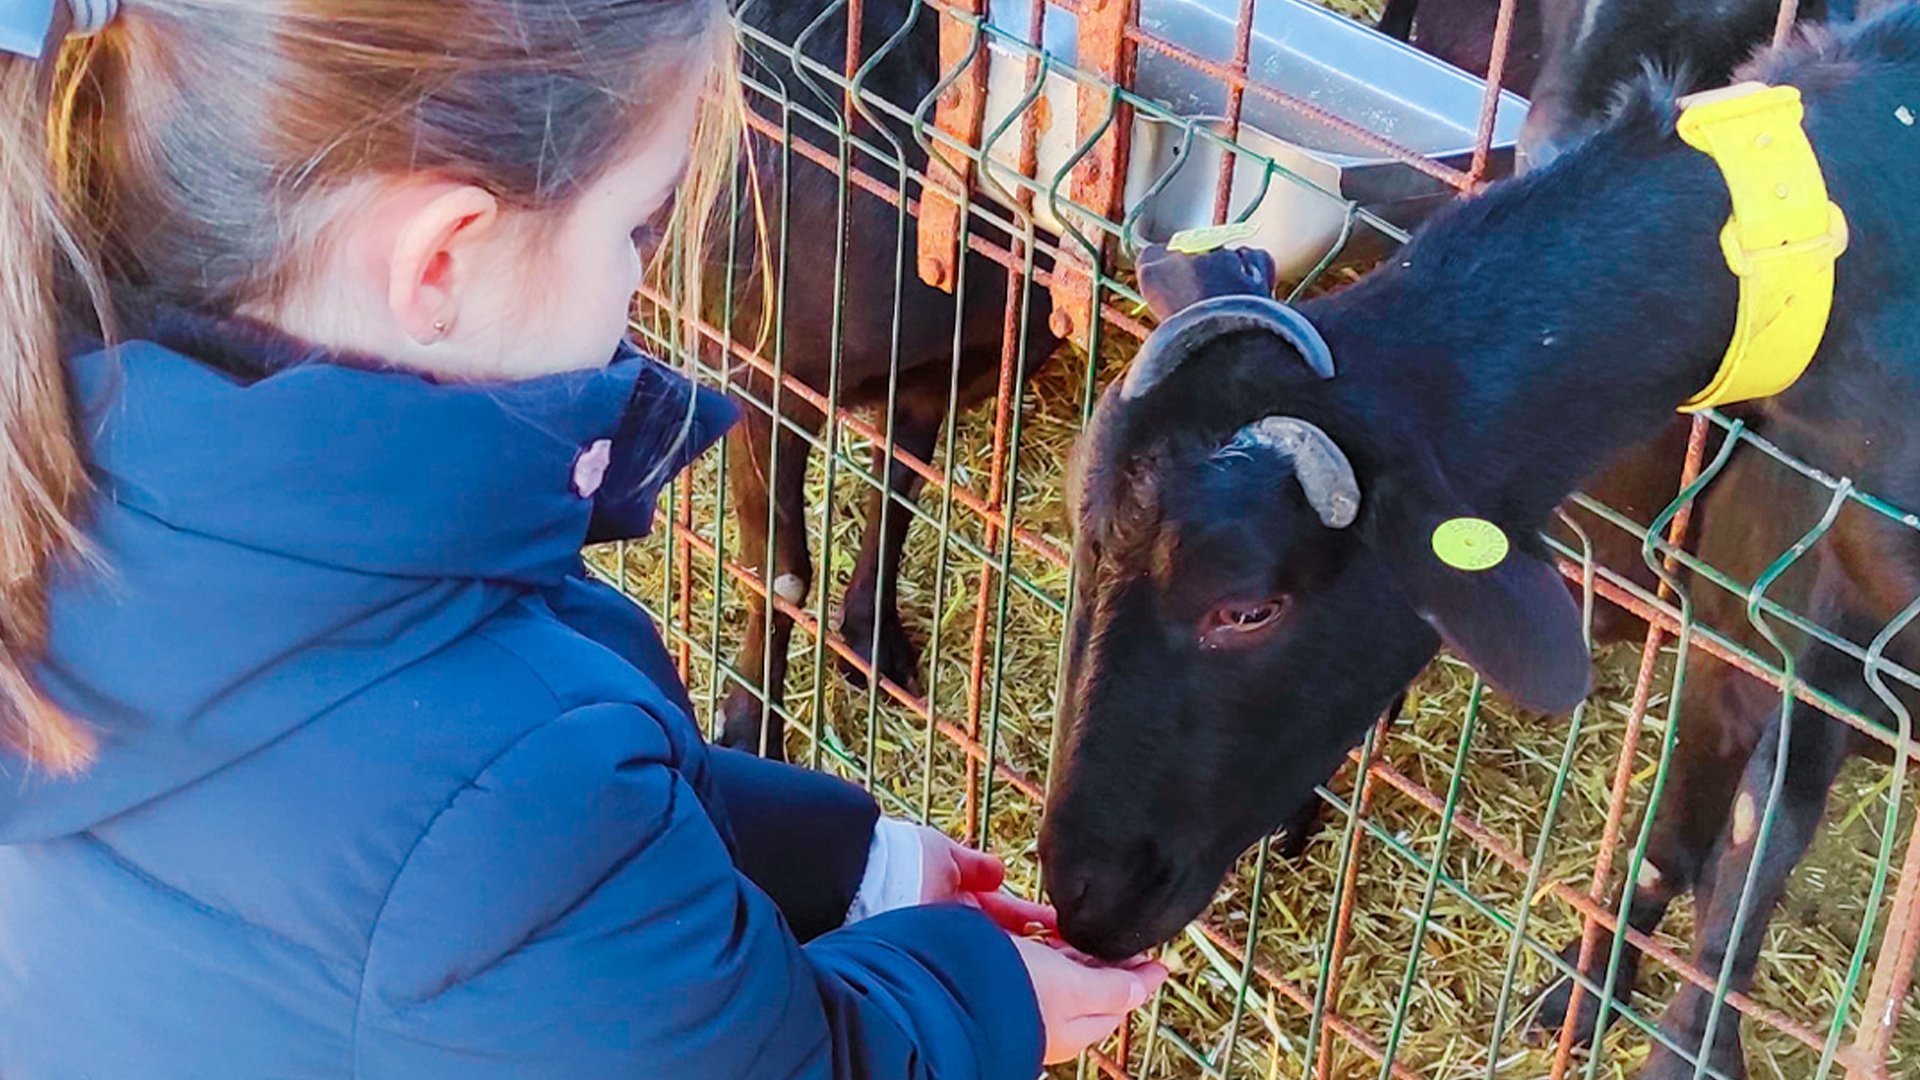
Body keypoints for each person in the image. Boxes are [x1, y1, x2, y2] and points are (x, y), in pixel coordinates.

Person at [0, 2, 1167, 1077]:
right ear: (442, 261)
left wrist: (853, 867)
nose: (643, 280)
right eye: (636, 226)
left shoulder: (91, 491)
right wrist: (982, 997)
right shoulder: (516, 793)